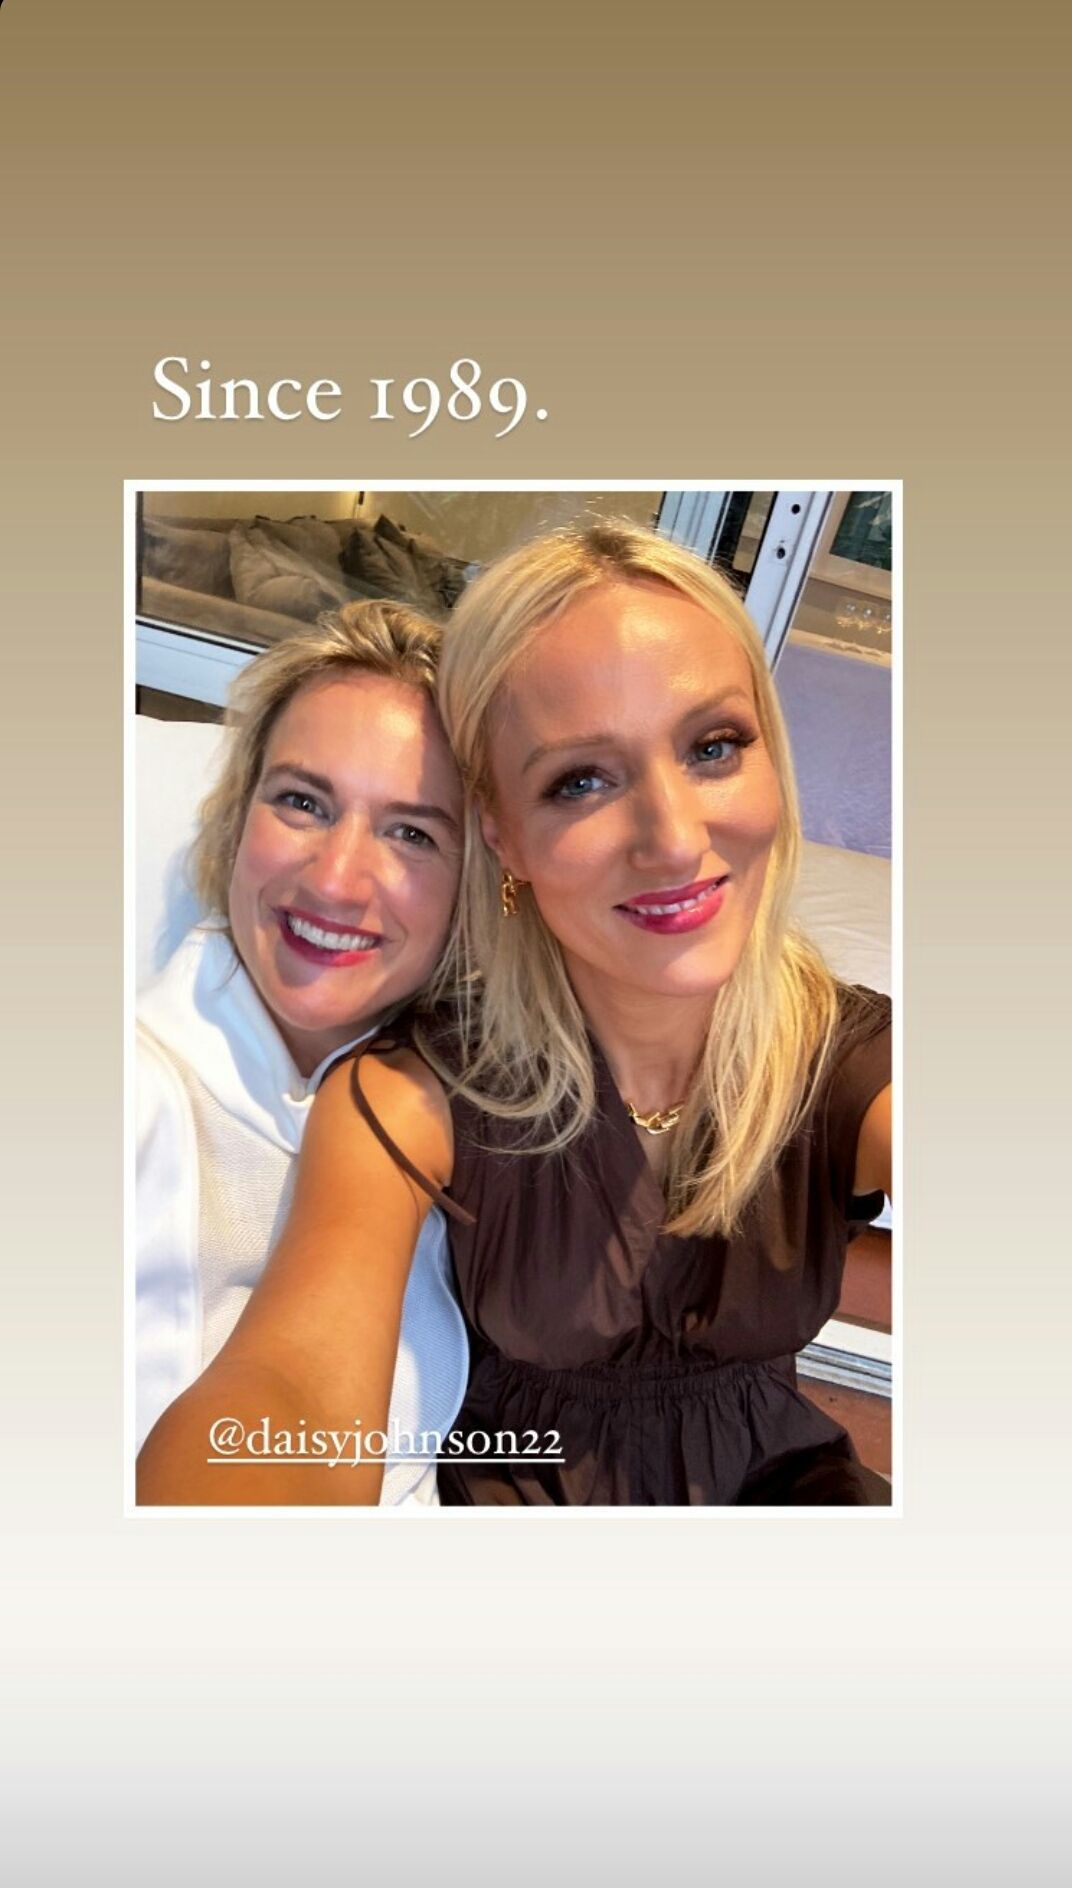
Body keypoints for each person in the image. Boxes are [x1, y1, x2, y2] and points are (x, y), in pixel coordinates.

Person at [135, 600, 470, 1506]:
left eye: (412, 833)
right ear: (238, 819)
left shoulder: (468, 1113)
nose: (334, 879)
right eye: (302, 802)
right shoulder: (133, 1102)